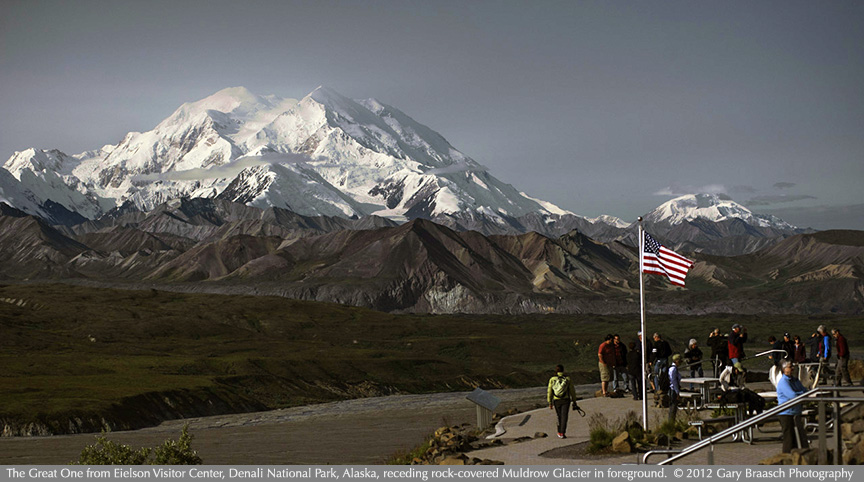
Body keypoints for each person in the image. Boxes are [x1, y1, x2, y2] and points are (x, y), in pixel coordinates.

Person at [776, 359, 809, 453]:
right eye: (790, 367)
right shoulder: (783, 382)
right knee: (789, 438)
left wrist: (801, 393)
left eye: (792, 366)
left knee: (800, 437)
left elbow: (805, 391)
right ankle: (786, 458)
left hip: (796, 412)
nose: (793, 368)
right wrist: (801, 393)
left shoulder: (795, 380)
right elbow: (792, 396)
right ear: (784, 369)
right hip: (786, 413)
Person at [548, 364, 579, 439]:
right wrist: (574, 401)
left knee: (559, 416)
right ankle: (562, 432)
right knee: (564, 416)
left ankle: (559, 431)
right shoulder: (567, 379)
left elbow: (549, 391)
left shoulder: (552, 379)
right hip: (566, 400)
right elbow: (572, 390)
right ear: (563, 370)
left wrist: (550, 402)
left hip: (556, 400)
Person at [668, 354, 683, 422]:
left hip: (672, 389)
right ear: (676, 361)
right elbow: (674, 381)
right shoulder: (673, 369)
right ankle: (671, 421)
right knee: (673, 406)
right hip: (673, 389)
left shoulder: (672, 368)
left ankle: (671, 421)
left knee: (673, 406)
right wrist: (677, 392)